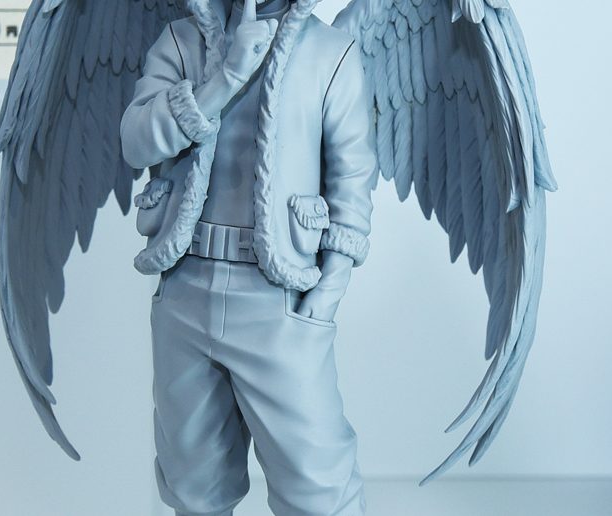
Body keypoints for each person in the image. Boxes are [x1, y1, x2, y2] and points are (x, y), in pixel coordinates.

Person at [120, 0, 377, 514]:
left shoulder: (332, 52)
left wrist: (326, 293)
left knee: (316, 485)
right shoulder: (181, 43)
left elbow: (352, 179)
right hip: (186, 291)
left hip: (279, 301)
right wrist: (226, 78)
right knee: (193, 484)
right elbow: (136, 141)